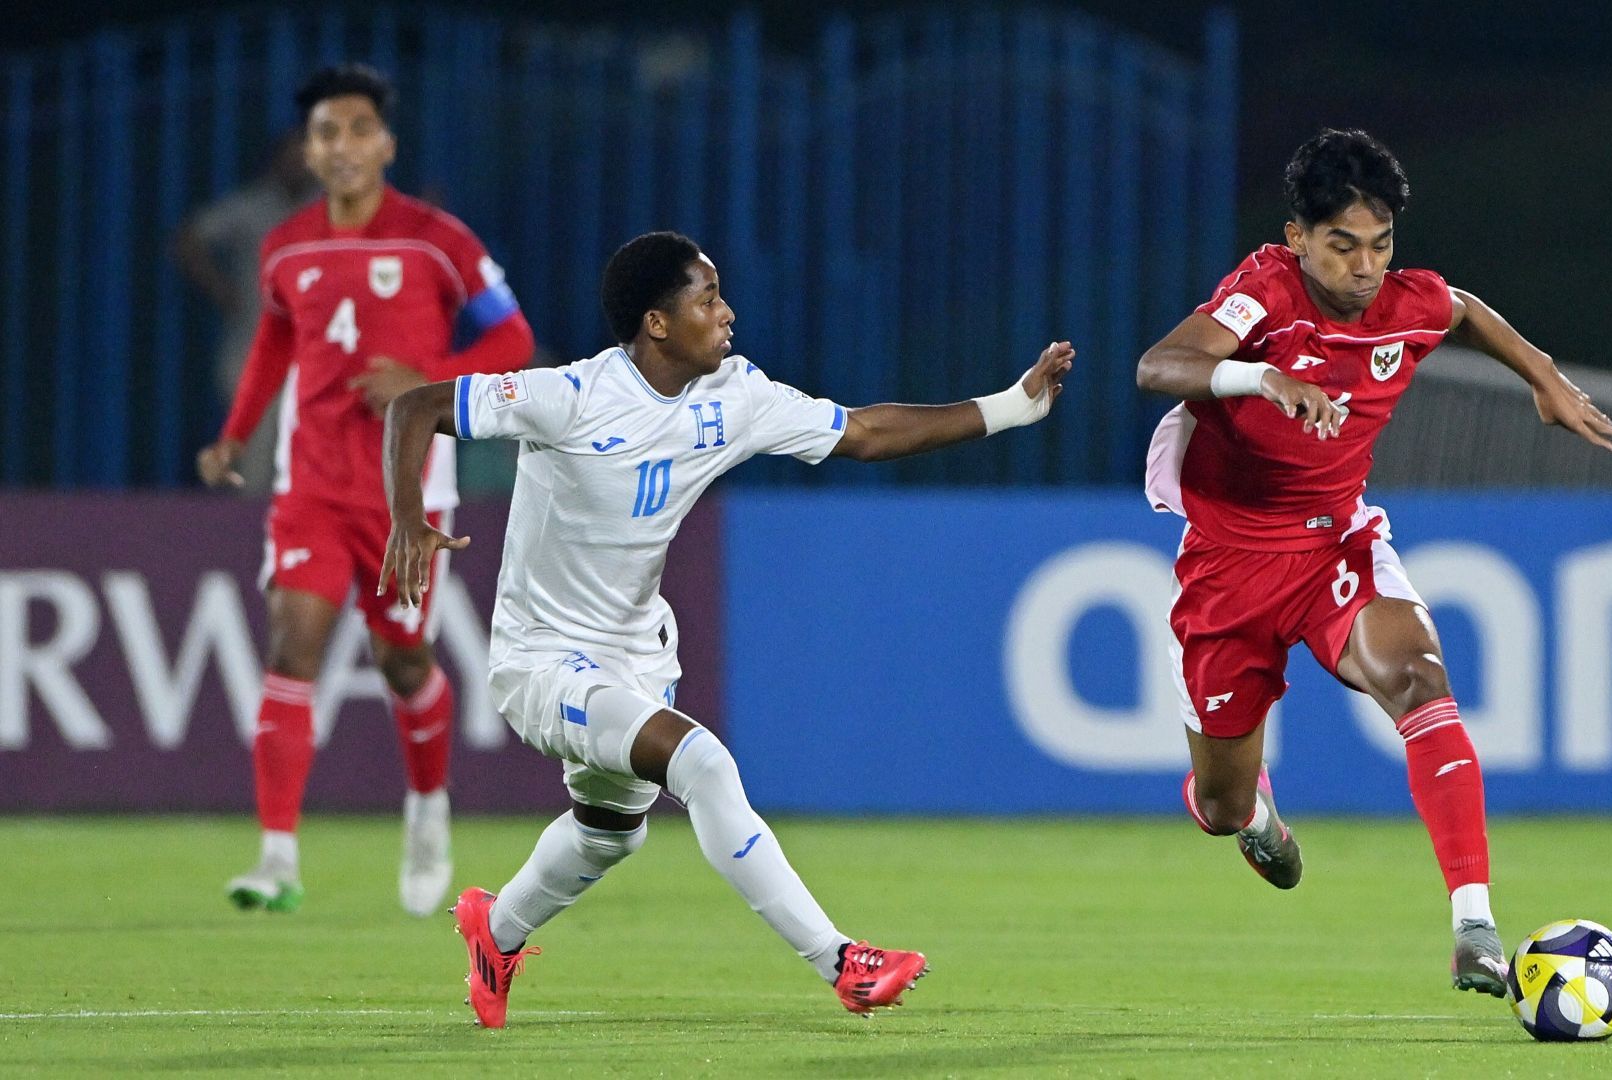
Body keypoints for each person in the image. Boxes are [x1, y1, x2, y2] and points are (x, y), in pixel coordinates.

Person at [378, 231, 1072, 1025]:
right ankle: (841, 961)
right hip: (542, 661)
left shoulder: (734, 396)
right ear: (657, 323)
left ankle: (494, 932)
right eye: (707, 298)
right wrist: (407, 515)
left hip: (636, 655)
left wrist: (1013, 407)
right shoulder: (569, 396)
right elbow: (415, 406)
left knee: (610, 833)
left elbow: (865, 432)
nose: (727, 312)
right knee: (701, 763)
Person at [1136, 129, 1612, 995]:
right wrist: (1262, 379)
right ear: (1297, 236)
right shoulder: (1263, 294)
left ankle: (1474, 925)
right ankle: (1252, 814)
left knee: (1419, 681)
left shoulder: (1406, 304)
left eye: (1381, 243)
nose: (1365, 268)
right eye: (1342, 245)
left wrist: (1542, 375)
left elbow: (1461, 308)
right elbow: (1159, 366)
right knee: (1220, 805)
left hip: (1337, 543)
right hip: (1229, 565)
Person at [196, 63, 536, 916]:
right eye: (325, 133)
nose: (341, 146)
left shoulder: (438, 240)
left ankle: (427, 805)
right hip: (310, 481)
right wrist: (236, 432)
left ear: (385, 144)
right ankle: (276, 858)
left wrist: (429, 381)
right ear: (308, 152)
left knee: (403, 659)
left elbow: (514, 338)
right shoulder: (286, 246)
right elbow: (274, 345)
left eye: (357, 129)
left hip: (407, 488)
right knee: (291, 648)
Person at [175, 128, 318, 490]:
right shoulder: (251, 206)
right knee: (256, 462)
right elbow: (188, 238)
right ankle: (251, 525)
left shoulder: (330, 207)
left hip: (314, 355)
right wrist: (221, 289)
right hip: (252, 352)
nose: (298, 164)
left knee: (311, 460)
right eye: (291, 156)